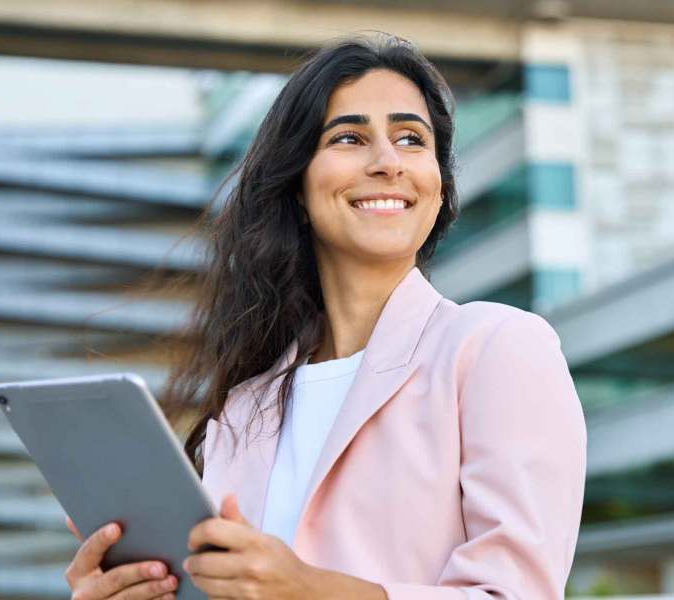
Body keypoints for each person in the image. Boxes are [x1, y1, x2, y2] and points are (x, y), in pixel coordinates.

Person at [64, 34, 587, 600]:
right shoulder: (243, 407)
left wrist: (310, 590)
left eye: (412, 139)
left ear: (439, 187)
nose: (388, 162)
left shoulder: (498, 347)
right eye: (350, 137)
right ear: (298, 187)